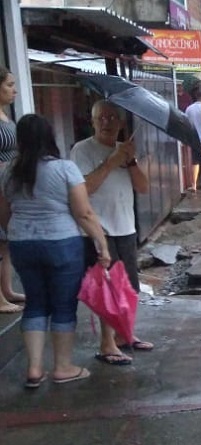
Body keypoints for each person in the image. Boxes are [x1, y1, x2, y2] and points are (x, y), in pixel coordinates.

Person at [0, 114, 111, 388]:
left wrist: (20, 232)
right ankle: (63, 367)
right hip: (61, 244)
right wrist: (102, 242)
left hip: (22, 244)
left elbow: (4, 213)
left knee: (35, 303)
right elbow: (83, 212)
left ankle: (34, 369)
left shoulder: (8, 171)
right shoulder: (65, 169)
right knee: (63, 305)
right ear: (49, 137)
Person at [70, 101, 153, 365]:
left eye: (112, 117)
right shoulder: (81, 150)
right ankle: (106, 345)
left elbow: (143, 187)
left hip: (125, 227)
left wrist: (130, 162)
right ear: (92, 122)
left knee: (128, 286)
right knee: (106, 289)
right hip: (98, 230)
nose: (106, 122)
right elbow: (85, 189)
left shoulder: (125, 150)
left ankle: (123, 335)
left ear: (120, 123)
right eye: (101, 118)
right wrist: (111, 162)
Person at [0, 65, 25, 314]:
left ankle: (6, 290)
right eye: (8, 85)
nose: (14, 90)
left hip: (7, 183)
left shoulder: (6, 115)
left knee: (5, 242)